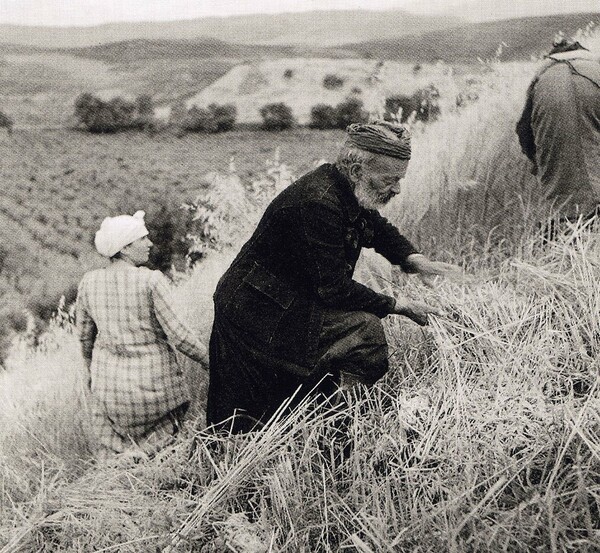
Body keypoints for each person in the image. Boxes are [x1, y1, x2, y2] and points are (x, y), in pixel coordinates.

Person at [207, 122, 463, 433]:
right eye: (390, 180)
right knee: (364, 333)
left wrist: (416, 261)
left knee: (278, 400)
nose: (397, 189)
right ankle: (337, 422)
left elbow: (376, 229)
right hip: (256, 309)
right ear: (357, 172)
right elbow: (334, 289)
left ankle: (327, 421)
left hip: (280, 299)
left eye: (399, 180)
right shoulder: (317, 203)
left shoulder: (344, 189)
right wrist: (399, 304)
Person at [76, 211, 208, 461]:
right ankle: (149, 455)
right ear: (125, 247)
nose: (149, 244)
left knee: (110, 431)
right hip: (155, 393)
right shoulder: (151, 281)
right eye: (142, 239)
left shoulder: (89, 283)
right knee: (168, 433)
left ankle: (124, 457)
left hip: (110, 395)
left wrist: (91, 375)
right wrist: (211, 362)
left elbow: (84, 339)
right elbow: (179, 336)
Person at [516, 38, 600, 233]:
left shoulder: (541, 78)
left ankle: (573, 231)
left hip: (562, 190)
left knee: (567, 208)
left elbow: (524, 131)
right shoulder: (595, 68)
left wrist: (539, 164)